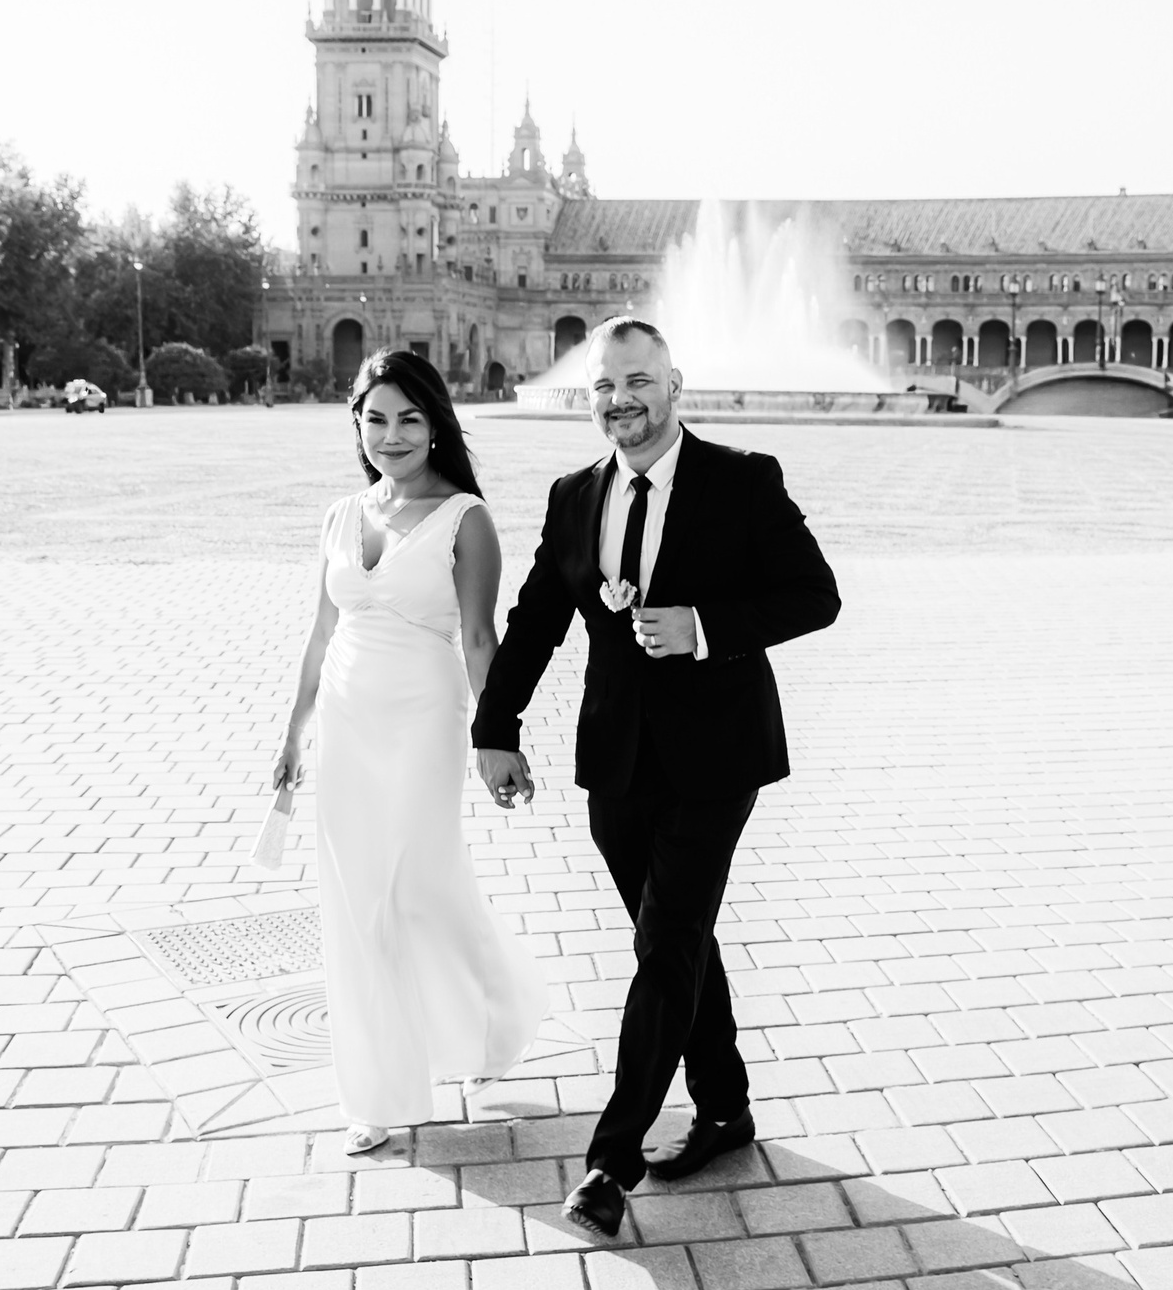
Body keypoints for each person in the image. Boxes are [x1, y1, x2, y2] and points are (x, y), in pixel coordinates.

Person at [474, 318, 840, 1238]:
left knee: (664, 943)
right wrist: (495, 727)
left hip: (720, 756)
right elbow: (533, 622)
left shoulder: (743, 480)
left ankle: (611, 1160)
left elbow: (815, 594)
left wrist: (705, 627)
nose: (619, 400)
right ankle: (723, 1107)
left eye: (637, 380)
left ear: (676, 384)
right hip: (616, 759)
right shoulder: (572, 496)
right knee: (675, 937)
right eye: (602, 386)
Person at [272, 352, 547, 1155]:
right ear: (356, 423)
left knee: (417, 886)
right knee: (356, 903)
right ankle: (376, 1091)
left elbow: (477, 637)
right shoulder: (338, 514)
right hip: (346, 729)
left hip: (426, 718)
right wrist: (293, 730)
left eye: (409, 419)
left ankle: (498, 1012)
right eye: (376, 418)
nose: (391, 436)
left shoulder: (466, 518)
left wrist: (498, 739)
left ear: (436, 426)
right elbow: (322, 632)